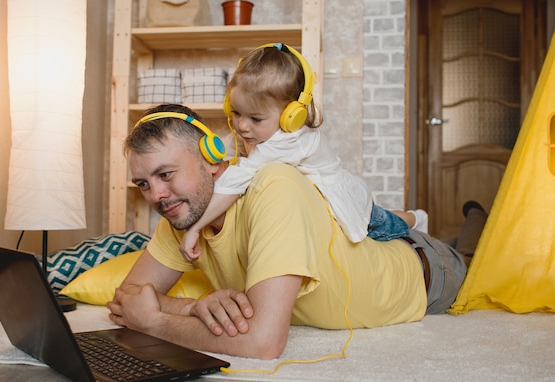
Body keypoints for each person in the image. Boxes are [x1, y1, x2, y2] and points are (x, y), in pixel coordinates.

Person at [107, 103, 474, 360]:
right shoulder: (181, 213)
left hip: (428, 271)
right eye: (142, 183)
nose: (155, 195)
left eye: (165, 174)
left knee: (477, 253)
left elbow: (263, 344)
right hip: (387, 249)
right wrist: (190, 307)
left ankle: (474, 219)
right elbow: (127, 296)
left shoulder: (272, 184)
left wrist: (155, 321)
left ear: (212, 157)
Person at [179, 43, 427, 262]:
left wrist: (196, 227)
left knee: (386, 227)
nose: (242, 125)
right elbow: (228, 146)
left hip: (342, 197)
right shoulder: (255, 131)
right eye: (235, 113)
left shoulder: (287, 139)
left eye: (255, 118)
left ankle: (416, 219)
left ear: (291, 115)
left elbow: (236, 180)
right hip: (313, 199)